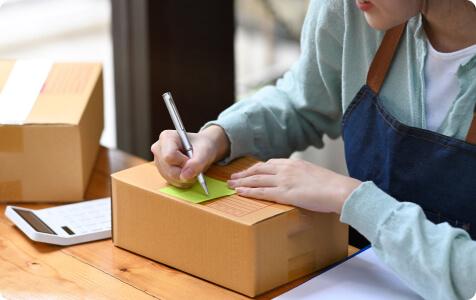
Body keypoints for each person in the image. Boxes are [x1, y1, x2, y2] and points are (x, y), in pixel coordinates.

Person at [151, 0, 476, 299]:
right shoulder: (355, 9)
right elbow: (303, 101)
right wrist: (219, 136)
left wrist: (351, 198)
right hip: (363, 277)